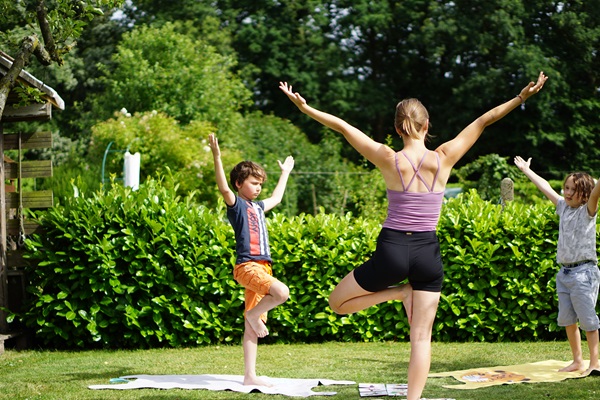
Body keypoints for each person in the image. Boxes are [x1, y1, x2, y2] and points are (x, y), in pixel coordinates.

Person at [279, 71, 548, 400]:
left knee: (337, 304)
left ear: (397, 128)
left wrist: (305, 108)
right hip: (426, 253)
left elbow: (344, 127)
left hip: (392, 248)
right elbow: (483, 120)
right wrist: (521, 97)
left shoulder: (388, 157)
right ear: (426, 124)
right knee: (421, 339)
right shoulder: (444, 156)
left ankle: (398, 293)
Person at [208, 133, 295, 386]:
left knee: (252, 322)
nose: (258, 188)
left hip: (263, 268)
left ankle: (249, 376)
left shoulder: (258, 207)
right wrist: (217, 156)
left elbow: (277, 199)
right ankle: (253, 316)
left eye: (260, 184)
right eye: (253, 183)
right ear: (239, 184)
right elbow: (223, 188)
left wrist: (285, 173)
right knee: (281, 292)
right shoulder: (236, 204)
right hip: (247, 266)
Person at [514, 156, 600, 376]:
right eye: (566, 188)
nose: (567, 192)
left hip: (584, 273)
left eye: (573, 189)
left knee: (588, 321)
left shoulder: (587, 211)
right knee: (568, 320)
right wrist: (526, 170)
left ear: (585, 194)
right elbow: (545, 187)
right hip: (564, 273)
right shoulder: (563, 208)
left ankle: (595, 363)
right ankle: (577, 361)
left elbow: (596, 192)